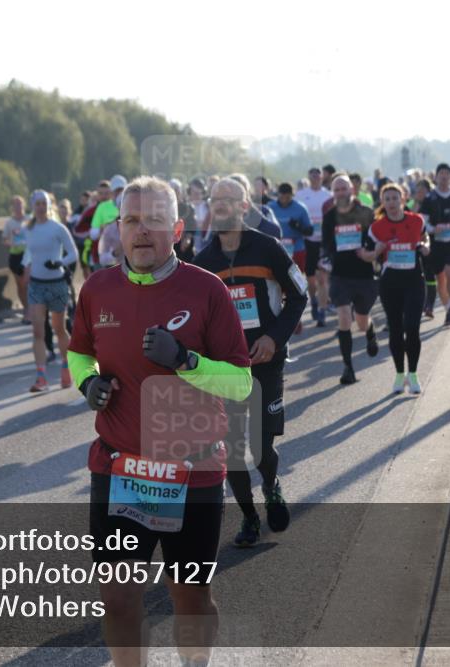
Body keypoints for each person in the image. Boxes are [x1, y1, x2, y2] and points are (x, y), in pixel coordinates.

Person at [67, 176, 251, 667]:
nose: (141, 231)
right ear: (117, 230)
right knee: (118, 597)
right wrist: (88, 384)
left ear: (177, 228)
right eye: (131, 220)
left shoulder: (207, 289)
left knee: (189, 597)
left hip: (191, 472)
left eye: (152, 220)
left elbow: (240, 383)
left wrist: (187, 361)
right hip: (120, 468)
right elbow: (79, 353)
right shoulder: (99, 289)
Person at [192, 178, 307, 547]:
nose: (221, 205)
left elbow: (299, 295)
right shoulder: (203, 263)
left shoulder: (268, 248)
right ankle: (249, 517)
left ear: (245, 207)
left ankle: (271, 486)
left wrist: (275, 338)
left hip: (266, 361)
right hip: (225, 368)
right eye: (216, 200)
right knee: (232, 447)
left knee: (260, 444)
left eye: (229, 199)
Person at [358, 185, 430, 394]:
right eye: (387, 199)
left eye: (394, 198)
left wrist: (426, 246)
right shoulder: (376, 228)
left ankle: (414, 375)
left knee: (412, 328)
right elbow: (367, 255)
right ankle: (400, 375)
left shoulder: (416, 220)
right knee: (396, 329)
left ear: (403, 199)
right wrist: (376, 252)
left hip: (414, 280)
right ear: (383, 202)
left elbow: (425, 237)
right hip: (390, 283)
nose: (391, 202)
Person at [321, 175, 379, 385]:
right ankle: (348, 367)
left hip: (363, 275)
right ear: (333, 193)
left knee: (362, 322)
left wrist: (369, 252)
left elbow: (375, 239)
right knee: (344, 318)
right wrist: (326, 264)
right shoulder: (329, 217)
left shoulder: (365, 213)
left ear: (351, 190)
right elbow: (326, 245)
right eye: (336, 190)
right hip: (340, 276)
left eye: (343, 189)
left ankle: (370, 331)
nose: (340, 193)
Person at [23, 190, 79, 392]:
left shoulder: (58, 228)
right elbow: (29, 252)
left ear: (49, 205)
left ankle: (66, 366)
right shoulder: (28, 229)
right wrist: (26, 265)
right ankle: (41, 377)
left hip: (57, 284)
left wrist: (59, 263)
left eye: (44, 203)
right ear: (32, 206)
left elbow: (73, 254)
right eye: (37, 203)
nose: (40, 206)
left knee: (59, 328)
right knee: (38, 330)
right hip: (36, 284)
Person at [420, 163, 450, 325]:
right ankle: (448, 310)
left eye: (446, 173)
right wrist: (434, 229)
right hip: (436, 245)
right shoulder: (429, 199)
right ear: (436, 176)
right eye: (440, 173)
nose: (443, 176)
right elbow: (423, 222)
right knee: (440, 279)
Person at [295, 168, 332, 327]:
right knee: (310, 280)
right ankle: (314, 301)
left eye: (318, 175)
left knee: (322, 278)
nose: (316, 177)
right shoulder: (301, 195)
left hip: (324, 241)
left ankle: (322, 311)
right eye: (313, 175)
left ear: (322, 177)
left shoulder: (328, 195)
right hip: (307, 241)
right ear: (309, 177)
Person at [410, 179, 438, 319]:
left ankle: (430, 306)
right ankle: (420, 305)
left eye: (422, 191)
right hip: (414, 246)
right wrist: (415, 204)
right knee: (419, 277)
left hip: (431, 243)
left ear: (428, 191)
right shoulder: (413, 205)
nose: (419, 194)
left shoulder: (432, 204)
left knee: (430, 275)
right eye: (417, 191)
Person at [2, 195, 31, 324]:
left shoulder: (30, 219)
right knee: (21, 285)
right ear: (12, 207)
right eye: (15, 204)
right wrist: (11, 244)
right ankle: (26, 309)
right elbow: (4, 240)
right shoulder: (9, 223)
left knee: (29, 283)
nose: (18, 207)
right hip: (16, 256)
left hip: (29, 254)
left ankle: (34, 310)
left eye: (20, 204)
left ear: (23, 205)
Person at [90, 175, 127, 269]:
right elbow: (93, 234)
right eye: (116, 191)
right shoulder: (102, 207)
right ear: (112, 192)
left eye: (121, 190)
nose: (119, 193)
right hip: (110, 263)